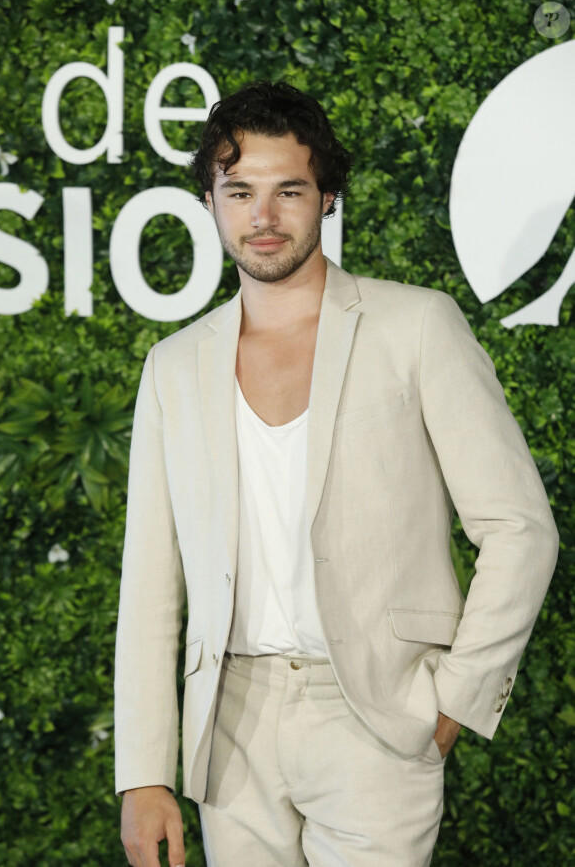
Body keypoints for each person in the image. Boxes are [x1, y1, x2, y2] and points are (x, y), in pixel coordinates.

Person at [115, 81, 558, 867]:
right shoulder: (173, 367)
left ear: (325, 197)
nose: (263, 217)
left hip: (376, 715)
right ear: (210, 201)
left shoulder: (416, 325)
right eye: (239, 191)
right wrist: (143, 774)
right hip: (230, 727)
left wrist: (453, 699)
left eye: (288, 190)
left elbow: (519, 527)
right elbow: (151, 585)